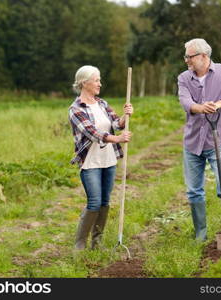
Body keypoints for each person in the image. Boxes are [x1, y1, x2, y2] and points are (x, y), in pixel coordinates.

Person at [177, 38, 221, 241]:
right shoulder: (184, 78)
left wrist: (219, 104)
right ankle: (201, 235)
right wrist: (200, 107)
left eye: (189, 56)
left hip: (218, 140)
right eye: (186, 56)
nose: (186, 60)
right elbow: (185, 101)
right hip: (193, 142)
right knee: (194, 192)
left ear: (203, 56)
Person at [69, 65, 133, 250]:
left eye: (99, 80)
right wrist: (117, 138)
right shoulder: (75, 109)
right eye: (96, 80)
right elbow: (93, 133)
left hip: (108, 160)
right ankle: (79, 245)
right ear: (84, 83)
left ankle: (97, 243)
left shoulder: (102, 103)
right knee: (94, 202)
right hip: (90, 163)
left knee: (105, 202)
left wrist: (124, 116)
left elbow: (116, 123)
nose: (100, 83)